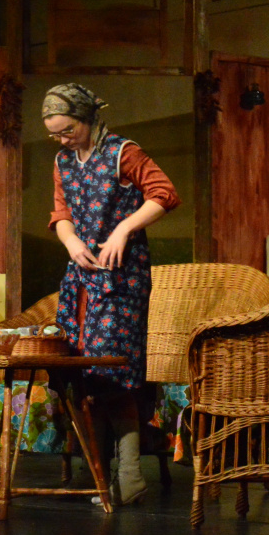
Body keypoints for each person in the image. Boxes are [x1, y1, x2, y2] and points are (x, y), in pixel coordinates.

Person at [43, 83, 180, 505]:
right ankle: (100, 475)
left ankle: (129, 474)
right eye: (54, 134)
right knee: (83, 372)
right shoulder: (63, 161)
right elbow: (61, 213)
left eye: (67, 131)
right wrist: (70, 241)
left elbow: (164, 193)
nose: (61, 140)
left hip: (122, 279)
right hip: (82, 278)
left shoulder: (123, 152)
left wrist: (124, 228)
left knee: (114, 371)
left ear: (86, 119)